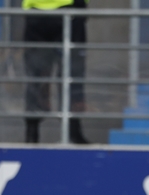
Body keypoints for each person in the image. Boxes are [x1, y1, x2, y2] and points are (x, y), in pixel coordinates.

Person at [23, 0, 89, 144]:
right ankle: (73, 133)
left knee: (37, 75)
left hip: (37, 11)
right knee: (70, 75)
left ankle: (32, 133)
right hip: (68, 9)